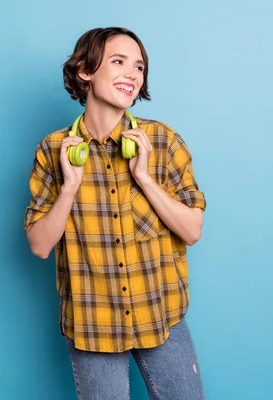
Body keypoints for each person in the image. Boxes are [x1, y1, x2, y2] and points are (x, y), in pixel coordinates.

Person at [23, 27, 207, 400]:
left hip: (160, 314)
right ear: (84, 71)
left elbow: (192, 230)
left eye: (139, 67)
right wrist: (70, 186)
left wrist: (144, 177)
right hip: (93, 324)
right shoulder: (54, 150)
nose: (132, 75)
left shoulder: (162, 141)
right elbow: (40, 246)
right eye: (118, 61)